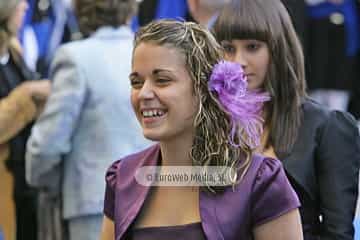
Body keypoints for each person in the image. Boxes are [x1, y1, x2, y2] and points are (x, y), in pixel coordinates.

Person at [100, 19, 303, 240]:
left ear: (204, 89)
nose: (144, 93)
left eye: (162, 80)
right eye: (136, 82)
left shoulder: (259, 180)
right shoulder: (123, 178)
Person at [213, 0, 360, 239]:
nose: (238, 61)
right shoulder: (212, 122)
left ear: (278, 49)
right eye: (228, 48)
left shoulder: (325, 126)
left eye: (252, 47)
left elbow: (338, 233)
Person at [25, 0, 149, 239]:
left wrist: (47, 183)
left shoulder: (74, 57)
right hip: (151, 199)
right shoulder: (152, 54)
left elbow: (47, 145)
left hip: (94, 205)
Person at [0, 0, 51, 239]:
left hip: (27, 182)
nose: (25, 7)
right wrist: (26, 96)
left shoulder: (13, 49)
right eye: (18, 2)